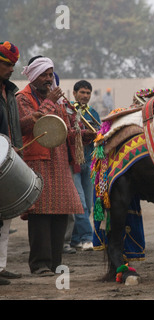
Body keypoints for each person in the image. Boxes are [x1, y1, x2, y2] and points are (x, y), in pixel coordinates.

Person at [16, 56, 83, 276]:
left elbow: (62, 130)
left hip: (60, 161)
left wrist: (82, 136)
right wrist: (49, 103)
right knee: (40, 213)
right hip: (37, 160)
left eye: (50, 74)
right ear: (34, 76)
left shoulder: (60, 101)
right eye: (44, 74)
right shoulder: (22, 98)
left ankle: (56, 263)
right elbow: (24, 125)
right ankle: (40, 265)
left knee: (61, 211)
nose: (48, 79)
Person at [64, 80, 100, 253]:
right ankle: (87, 237)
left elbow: (100, 135)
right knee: (80, 204)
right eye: (82, 92)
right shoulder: (68, 111)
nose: (85, 96)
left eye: (88, 93)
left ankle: (75, 240)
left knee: (88, 204)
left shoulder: (93, 113)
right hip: (73, 163)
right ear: (74, 93)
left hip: (89, 163)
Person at [0, 41, 23, 285]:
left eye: (13, 65)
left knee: (5, 217)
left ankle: (1, 266)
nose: (11, 69)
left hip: (9, 158)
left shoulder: (11, 92)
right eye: (7, 64)